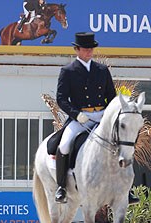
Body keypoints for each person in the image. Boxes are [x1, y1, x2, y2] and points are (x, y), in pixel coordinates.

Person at [55, 32, 139, 205]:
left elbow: (112, 97)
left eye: (91, 49)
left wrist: (110, 115)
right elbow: (61, 99)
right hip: (80, 118)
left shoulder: (102, 70)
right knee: (64, 145)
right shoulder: (68, 71)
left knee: (121, 143)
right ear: (77, 50)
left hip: (102, 116)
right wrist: (76, 114)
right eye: (85, 49)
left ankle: (126, 189)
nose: (89, 52)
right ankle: (61, 187)